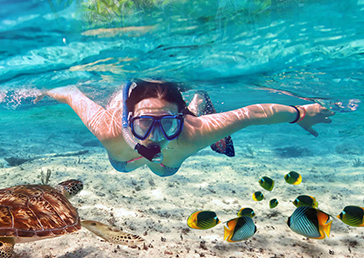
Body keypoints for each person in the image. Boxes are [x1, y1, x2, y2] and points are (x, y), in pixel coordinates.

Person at [36, 79, 334, 177]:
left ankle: (197, 101)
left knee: (164, 170)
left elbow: (251, 114)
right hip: (124, 157)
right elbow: (71, 92)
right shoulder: (108, 129)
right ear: (128, 120)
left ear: (182, 118)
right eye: (143, 123)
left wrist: (301, 112)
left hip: (172, 156)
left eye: (167, 123)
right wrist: (45, 91)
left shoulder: (194, 132)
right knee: (122, 166)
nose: (155, 136)